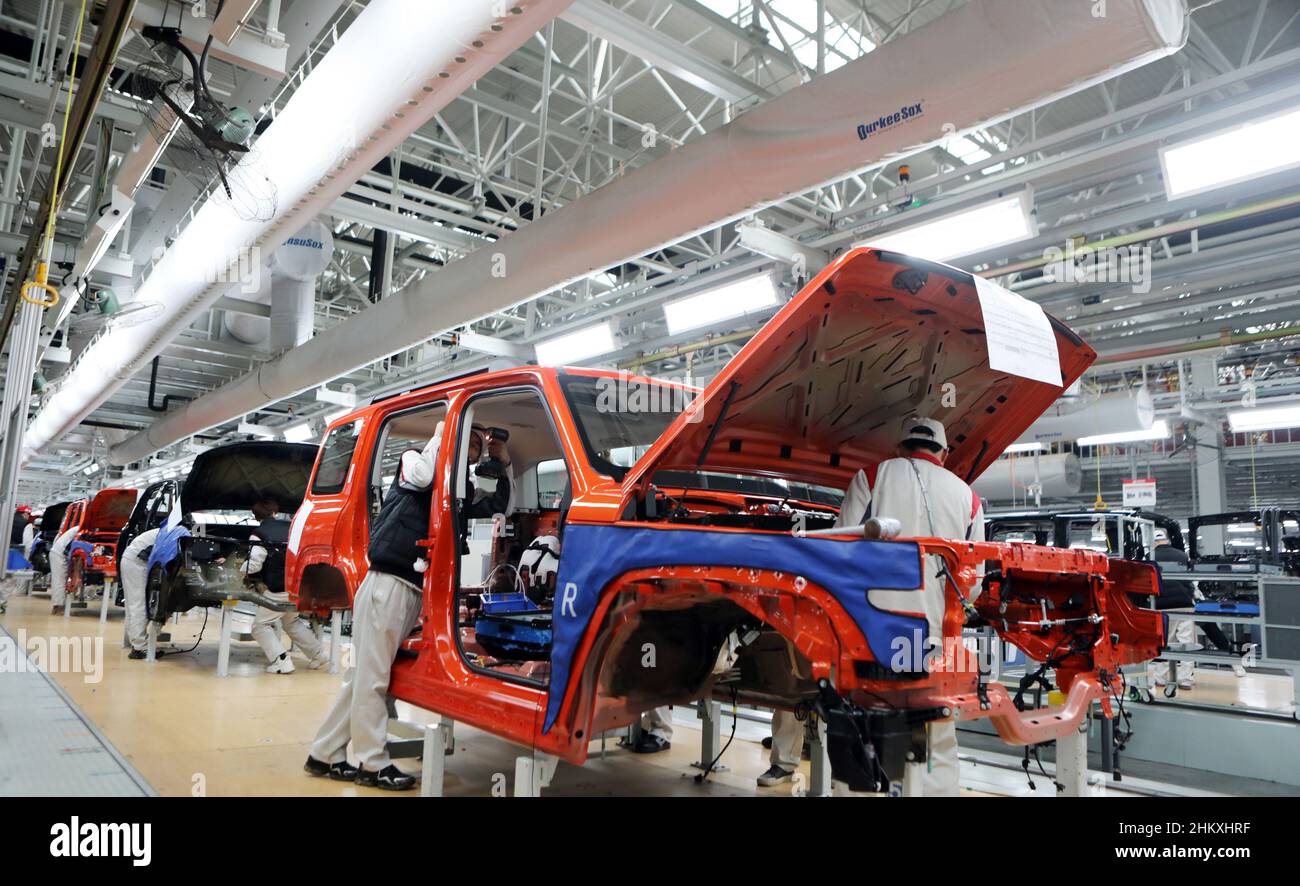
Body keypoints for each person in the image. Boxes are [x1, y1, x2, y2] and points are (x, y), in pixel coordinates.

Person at [766, 417, 984, 795]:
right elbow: (974, 581)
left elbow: (839, 551)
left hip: (869, 631)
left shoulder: (872, 475)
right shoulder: (969, 497)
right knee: (934, 726)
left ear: (900, 447)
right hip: (932, 636)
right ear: (944, 454)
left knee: (859, 723)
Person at [306, 422, 510, 790]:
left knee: (364, 676)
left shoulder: (457, 487)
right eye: (471, 439)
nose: (476, 447)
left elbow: (496, 504)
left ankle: (324, 753)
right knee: (373, 679)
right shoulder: (415, 459)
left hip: (411, 587)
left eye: (480, 445)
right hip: (388, 581)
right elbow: (423, 475)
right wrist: (445, 433)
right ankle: (372, 763)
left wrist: (503, 463)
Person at [244, 497, 327, 674]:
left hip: (278, 589)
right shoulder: (292, 528)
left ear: (256, 516)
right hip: (299, 586)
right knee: (291, 621)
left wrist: (239, 569)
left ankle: (281, 661)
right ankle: (318, 655)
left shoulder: (258, 533)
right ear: (275, 513)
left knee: (260, 626)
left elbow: (254, 565)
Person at [120, 527, 164, 660]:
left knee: (132, 604)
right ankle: (140, 648)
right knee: (138, 604)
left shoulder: (168, 530)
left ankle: (135, 643)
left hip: (131, 559)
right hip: (136, 563)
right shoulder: (176, 534)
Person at [49, 520, 81, 614]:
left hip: (62, 553)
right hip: (58, 554)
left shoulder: (79, 529)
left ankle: (60, 605)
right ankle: (58, 607)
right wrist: (76, 572)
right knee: (59, 580)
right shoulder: (80, 530)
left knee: (61, 579)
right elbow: (75, 551)